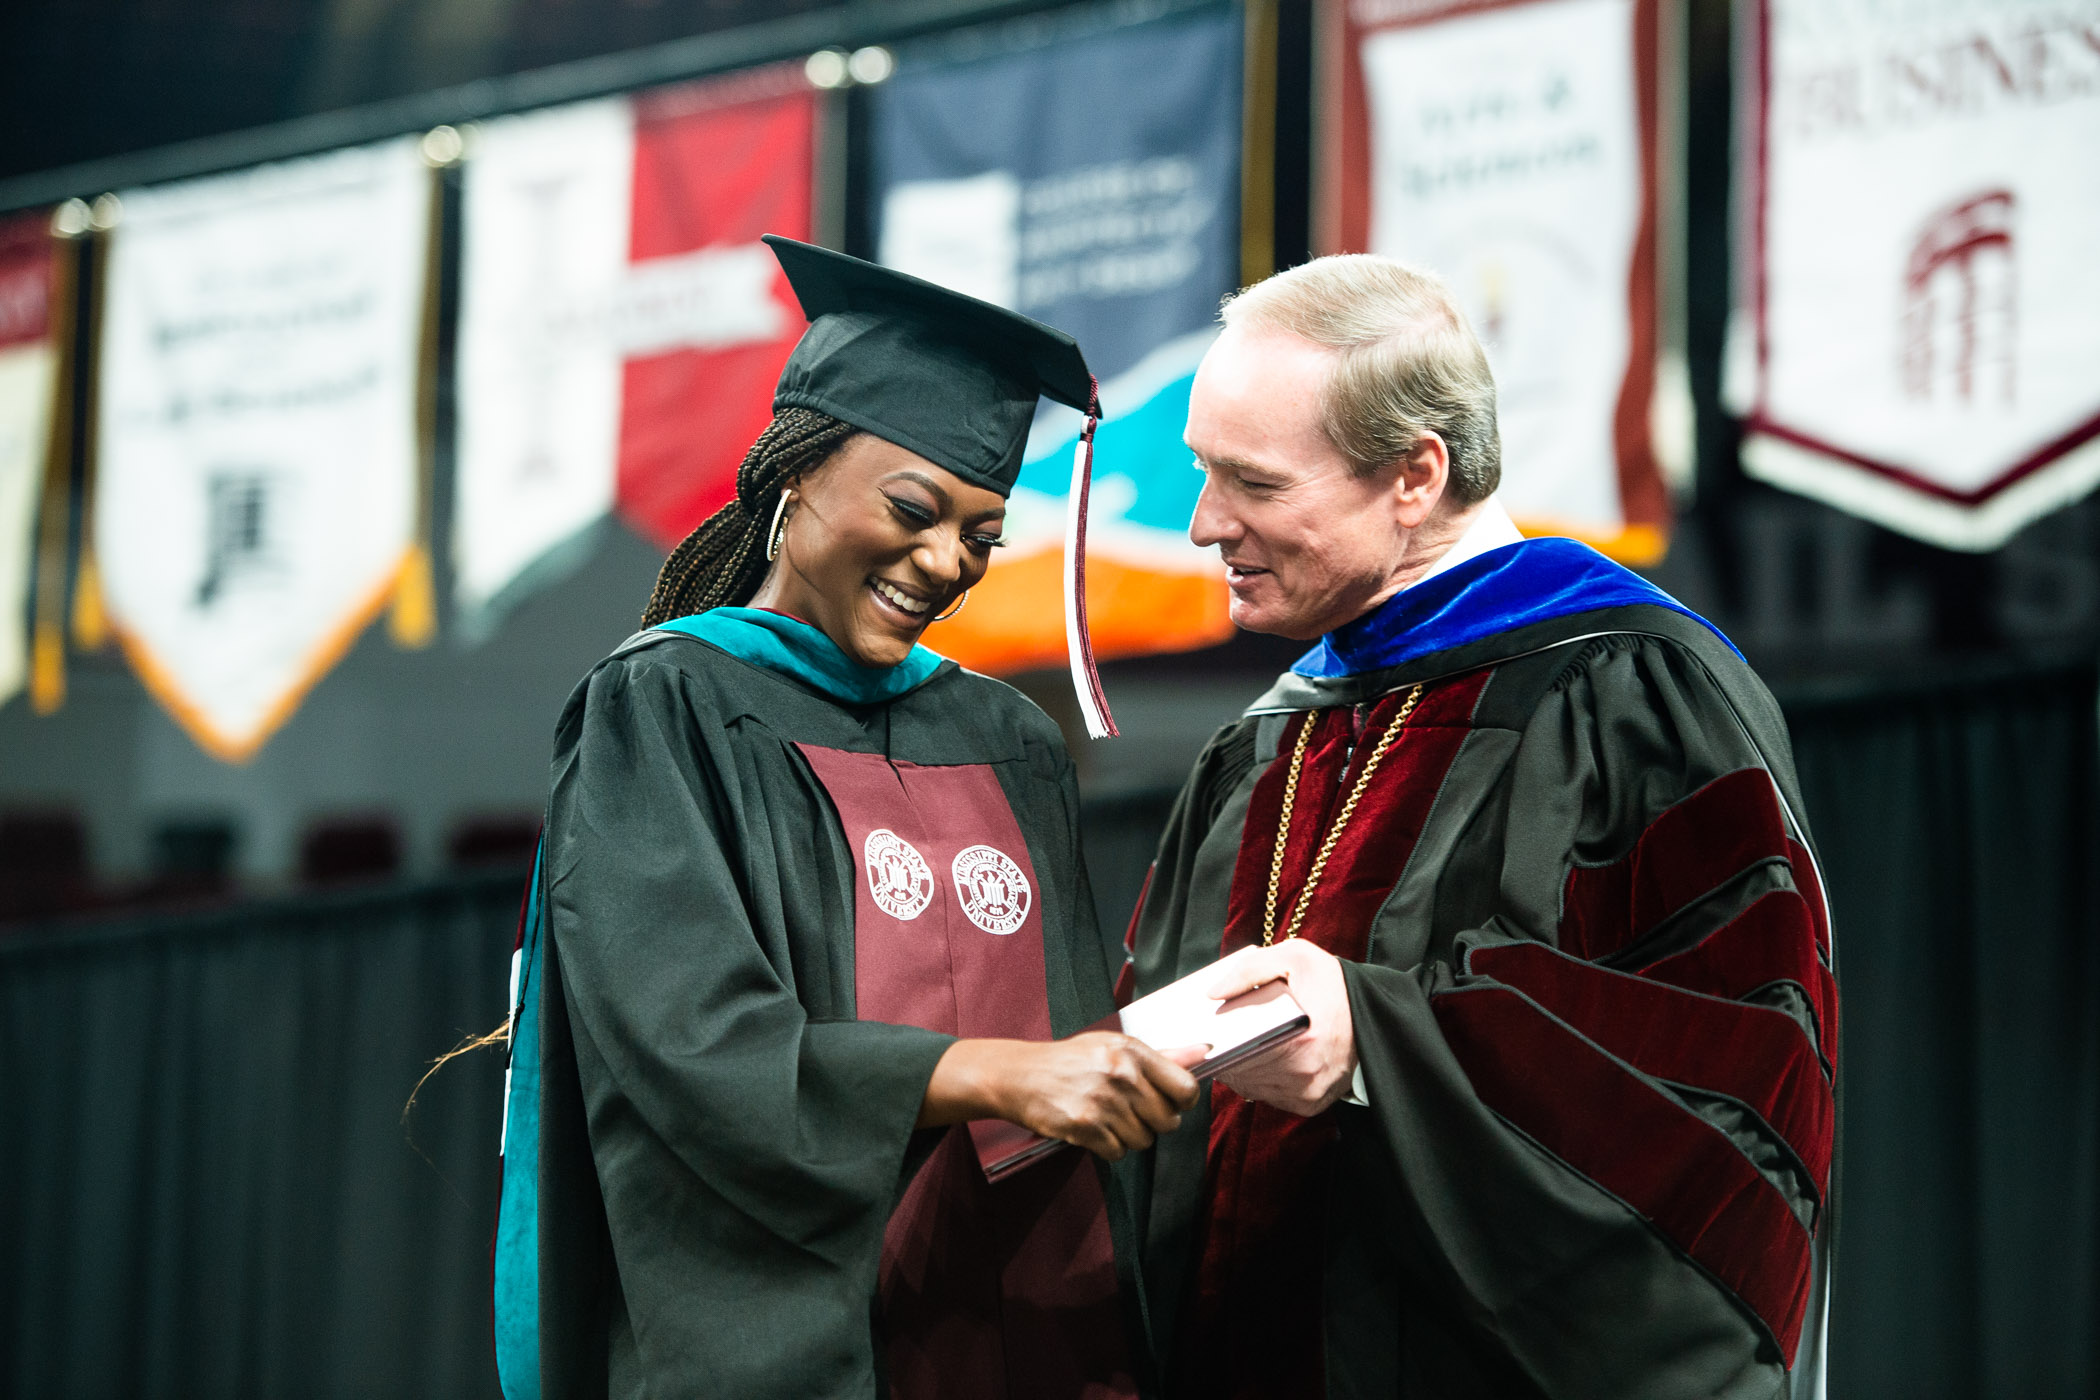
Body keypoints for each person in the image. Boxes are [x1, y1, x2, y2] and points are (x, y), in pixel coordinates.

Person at [492, 236, 1200, 1400]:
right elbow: (692, 1042)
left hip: (1023, 1333)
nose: (942, 561)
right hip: (802, 1339)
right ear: (796, 475)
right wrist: (989, 1074)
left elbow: (1067, 1022)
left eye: (979, 535)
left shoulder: (1004, 735)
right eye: (914, 508)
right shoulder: (670, 703)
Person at [1124, 255, 1839, 1399]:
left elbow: (1737, 1086)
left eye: (1252, 482)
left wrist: (1379, 1040)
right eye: (1203, 471)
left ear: (1415, 472)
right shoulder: (1265, 745)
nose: (1207, 523)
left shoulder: (1629, 692)